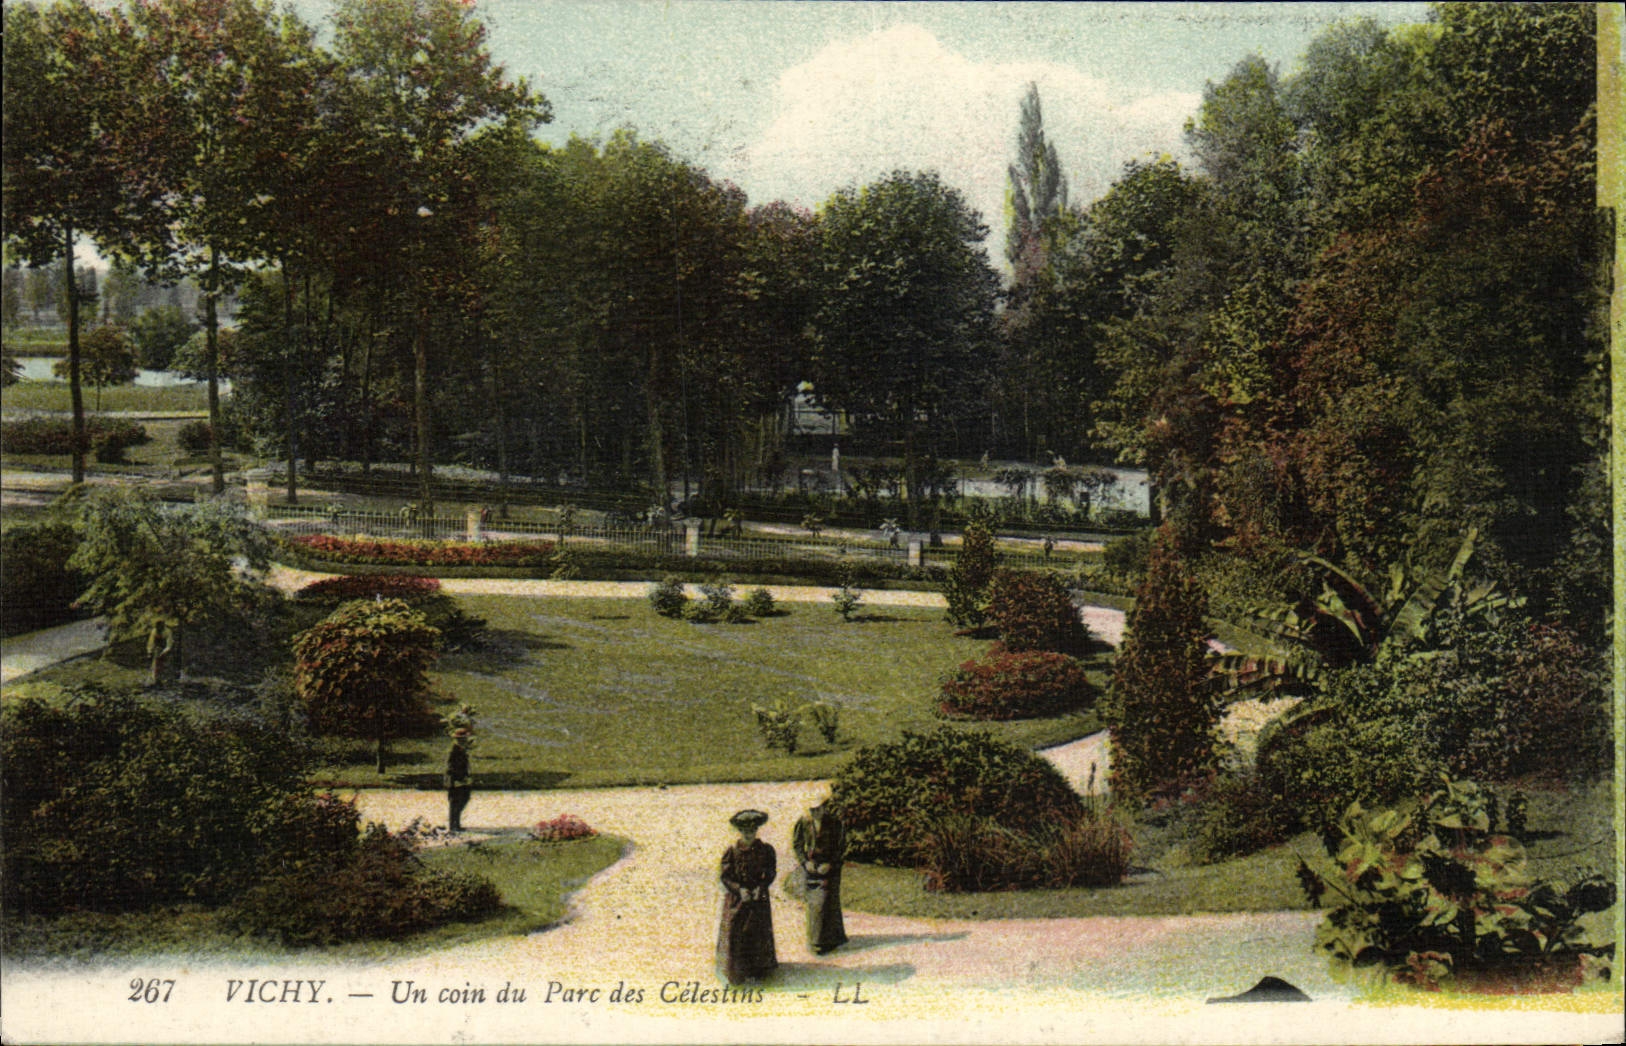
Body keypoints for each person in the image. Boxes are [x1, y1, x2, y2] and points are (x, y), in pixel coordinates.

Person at [717, 809, 777, 984]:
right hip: (738, 900)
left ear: (757, 830)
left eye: (752, 830)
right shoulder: (732, 852)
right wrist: (738, 889)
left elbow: (771, 871)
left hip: (758, 898)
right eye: (745, 831)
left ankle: (759, 969)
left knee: (758, 931)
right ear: (739, 831)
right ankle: (738, 971)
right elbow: (725, 877)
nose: (749, 834)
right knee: (738, 931)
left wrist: (762, 886)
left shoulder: (765, 850)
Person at [792, 799, 848, 955]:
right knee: (816, 903)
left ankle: (830, 939)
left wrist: (830, 863)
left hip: (830, 867)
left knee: (829, 901)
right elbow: (797, 844)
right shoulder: (804, 822)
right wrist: (805, 862)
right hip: (812, 867)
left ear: (824, 808)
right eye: (811, 810)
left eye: (817, 809)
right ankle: (817, 940)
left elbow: (841, 846)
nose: (814, 813)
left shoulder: (834, 823)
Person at [446, 728, 472, 833]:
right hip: (455, 779)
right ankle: (453, 825)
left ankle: (457, 823)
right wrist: (457, 779)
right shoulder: (454, 750)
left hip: (462, 779)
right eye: (462, 739)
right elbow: (451, 767)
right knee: (456, 802)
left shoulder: (461, 749)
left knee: (464, 799)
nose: (465, 740)